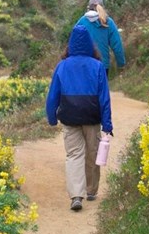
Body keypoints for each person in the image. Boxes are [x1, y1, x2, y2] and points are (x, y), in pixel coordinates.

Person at [45, 25, 113, 210]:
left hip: (69, 117)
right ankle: (90, 191)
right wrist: (107, 124)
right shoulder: (98, 66)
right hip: (92, 118)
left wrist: (52, 118)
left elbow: (53, 96)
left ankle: (76, 195)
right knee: (92, 154)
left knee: (74, 155)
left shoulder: (62, 66)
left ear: (70, 45)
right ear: (91, 45)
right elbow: (104, 98)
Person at [76, 0, 126, 79]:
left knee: (86, 91)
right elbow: (117, 45)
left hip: (84, 64)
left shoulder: (82, 21)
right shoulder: (108, 22)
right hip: (102, 65)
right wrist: (121, 63)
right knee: (101, 91)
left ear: (88, 8)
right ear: (102, 7)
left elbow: (74, 42)